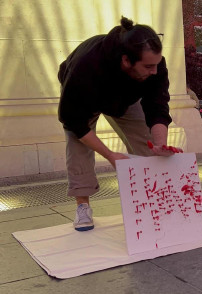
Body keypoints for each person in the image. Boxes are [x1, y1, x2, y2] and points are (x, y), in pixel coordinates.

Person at [58, 16, 182, 231]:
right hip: (86, 98)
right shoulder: (86, 66)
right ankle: (82, 206)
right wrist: (110, 155)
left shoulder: (154, 65)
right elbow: (73, 120)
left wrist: (160, 143)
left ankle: (156, 199)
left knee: (148, 142)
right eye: (148, 66)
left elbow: (158, 104)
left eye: (157, 64)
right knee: (78, 145)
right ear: (126, 60)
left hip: (125, 98)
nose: (155, 71)